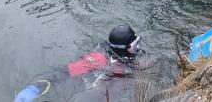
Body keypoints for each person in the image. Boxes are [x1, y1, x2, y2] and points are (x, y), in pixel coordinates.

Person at [14, 25, 145, 102]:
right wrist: (35, 87)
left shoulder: (133, 60)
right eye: (134, 45)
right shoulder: (98, 58)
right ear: (124, 48)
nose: (137, 48)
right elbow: (63, 73)